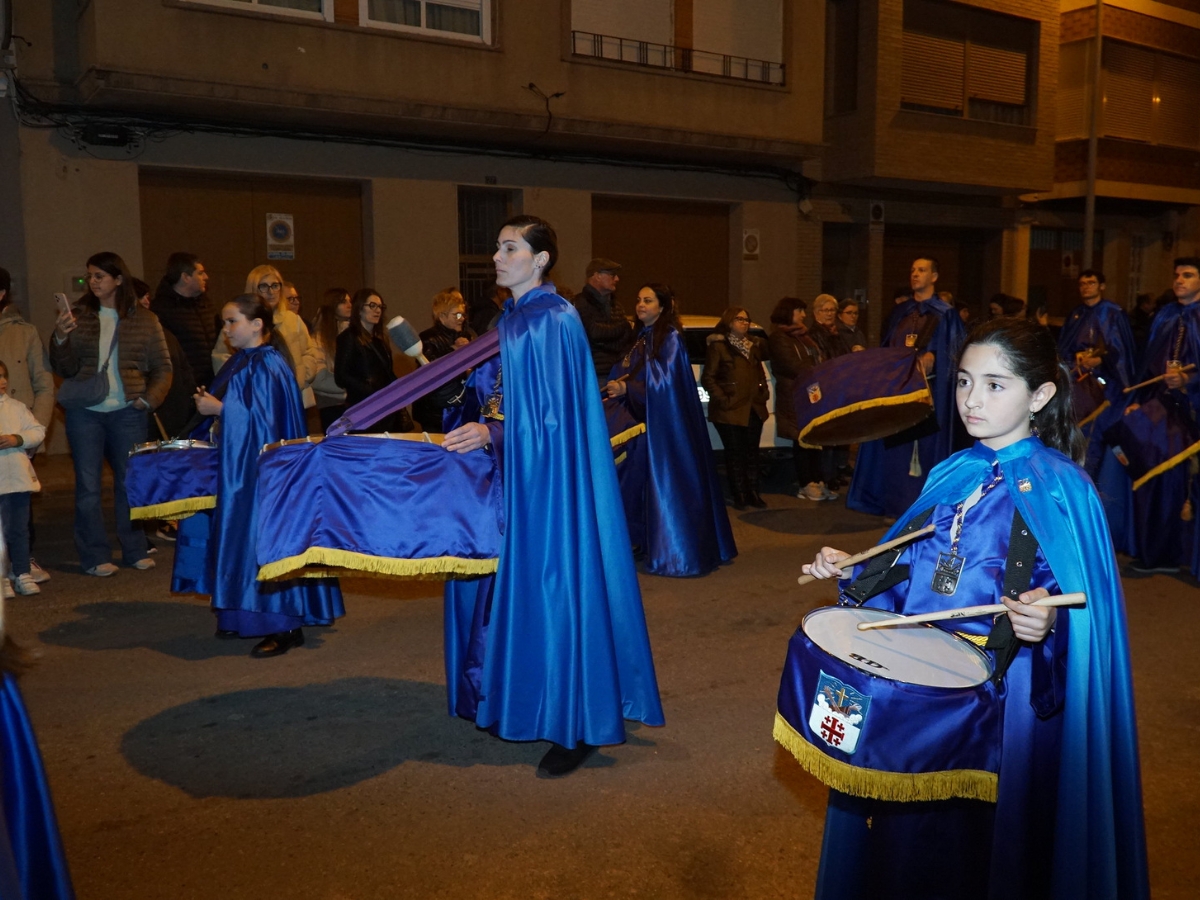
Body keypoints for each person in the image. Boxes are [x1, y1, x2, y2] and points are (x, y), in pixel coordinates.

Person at [789, 317, 1148, 900]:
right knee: (907, 840)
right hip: (919, 686)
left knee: (980, 849)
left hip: (1005, 699)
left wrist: (1050, 624)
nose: (971, 401)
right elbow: (917, 565)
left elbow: (1086, 625)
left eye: (995, 385)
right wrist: (854, 567)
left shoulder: (1065, 488)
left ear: (1041, 396)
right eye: (962, 382)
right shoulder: (953, 469)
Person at [441, 215, 663, 778]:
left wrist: (492, 431)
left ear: (540, 260)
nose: (496, 256)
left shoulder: (553, 319)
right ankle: (513, 695)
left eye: (509, 247)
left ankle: (578, 721)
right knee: (503, 587)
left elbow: (553, 417)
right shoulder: (510, 318)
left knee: (557, 588)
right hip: (509, 475)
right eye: (496, 246)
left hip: (548, 483)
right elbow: (496, 394)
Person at [189, 295, 344, 657]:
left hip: (263, 476)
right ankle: (240, 615)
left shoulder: (269, 364)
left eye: (232, 322)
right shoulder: (242, 362)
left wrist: (222, 410)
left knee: (264, 538)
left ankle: (284, 625)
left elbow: (266, 425)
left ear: (257, 324)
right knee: (238, 537)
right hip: (239, 472)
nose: (226, 330)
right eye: (224, 323)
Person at [50, 251, 172, 576]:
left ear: (118, 279)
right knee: (88, 486)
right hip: (85, 412)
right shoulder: (79, 315)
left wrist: (148, 401)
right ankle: (94, 555)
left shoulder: (145, 319)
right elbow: (64, 367)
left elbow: (163, 367)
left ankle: (133, 549)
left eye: (99, 276)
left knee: (128, 483)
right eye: (90, 276)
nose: (93, 282)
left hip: (128, 412)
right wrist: (60, 337)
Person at [603, 283, 736, 575]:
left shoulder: (670, 338)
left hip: (666, 432)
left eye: (648, 301)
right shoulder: (641, 337)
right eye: (638, 300)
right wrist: (617, 385)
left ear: (662, 307)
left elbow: (666, 385)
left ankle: (677, 552)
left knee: (667, 486)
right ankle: (639, 539)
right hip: (642, 426)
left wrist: (628, 387)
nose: (640, 305)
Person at [847, 256, 967, 519]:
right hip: (900, 395)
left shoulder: (945, 314)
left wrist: (936, 357)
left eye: (921, 270)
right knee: (897, 452)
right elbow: (888, 349)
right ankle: (895, 503)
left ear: (934, 277)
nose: (915, 274)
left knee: (925, 453)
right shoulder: (901, 313)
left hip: (931, 397)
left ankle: (924, 507)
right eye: (912, 270)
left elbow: (958, 354)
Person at [1120, 256, 1200, 575]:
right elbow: (1147, 363)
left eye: (1189, 275)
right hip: (1158, 408)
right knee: (1150, 478)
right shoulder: (1166, 315)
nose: (1180, 280)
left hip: (1189, 414)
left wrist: (1188, 381)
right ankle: (1151, 551)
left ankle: (1176, 555)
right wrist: (1138, 398)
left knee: (1179, 485)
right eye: (1177, 275)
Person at [0, 267, 54, 585]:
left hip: (17, 431)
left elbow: (44, 385)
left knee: (19, 500)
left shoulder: (25, 332)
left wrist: (34, 435)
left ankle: (22, 561)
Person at [212, 265, 320, 408]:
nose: (271, 292)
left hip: (293, 395)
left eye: (275, 286)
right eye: (263, 286)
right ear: (253, 289)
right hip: (253, 399)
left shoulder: (293, 320)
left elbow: (310, 353)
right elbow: (222, 358)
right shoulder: (238, 321)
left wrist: (299, 377)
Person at [701, 307, 771, 510]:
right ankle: (739, 493)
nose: (744, 323)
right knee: (735, 453)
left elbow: (759, 372)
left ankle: (754, 492)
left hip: (753, 407)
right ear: (730, 322)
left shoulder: (753, 345)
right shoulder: (719, 346)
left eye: (747, 319)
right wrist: (723, 399)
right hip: (729, 410)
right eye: (739, 319)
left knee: (752, 453)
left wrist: (763, 392)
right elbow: (709, 377)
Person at [767, 297, 836, 502]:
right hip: (794, 394)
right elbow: (792, 365)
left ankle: (818, 480)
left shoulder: (802, 337)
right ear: (789, 312)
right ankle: (807, 483)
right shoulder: (779, 338)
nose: (803, 315)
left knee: (814, 438)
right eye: (800, 311)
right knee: (802, 439)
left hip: (811, 392)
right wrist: (817, 373)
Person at [335, 289, 412, 434]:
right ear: (359, 309)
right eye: (372, 306)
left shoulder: (380, 340)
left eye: (380, 307)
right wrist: (371, 391)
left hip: (385, 408)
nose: (377, 310)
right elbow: (341, 376)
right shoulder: (348, 338)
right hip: (363, 408)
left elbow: (387, 372)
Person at [0, 361, 46, 596]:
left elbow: (38, 431)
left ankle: (21, 572)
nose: (3, 381)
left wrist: (17, 439)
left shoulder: (16, 407)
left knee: (18, 530)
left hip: (17, 481)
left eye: (3, 376)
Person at [151, 252, 216, 393]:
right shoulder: (161, 310)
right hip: (180, 389)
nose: (206, 277)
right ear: (185, 277)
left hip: (210, 385)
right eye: (200, 273)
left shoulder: (206, 305)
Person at [413, 287, 476, 433]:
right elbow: (428, 369)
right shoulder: (427, 338)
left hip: (458, 403)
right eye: (457, 315)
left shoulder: (465, 335)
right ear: (442, 317)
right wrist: (453, 350)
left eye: (463, 315)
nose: (462, 319)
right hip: (434, 411)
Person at [575, 257, 632, 386]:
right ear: (597, 276)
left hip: (616, 373)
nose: (617, 279)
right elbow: (594, 333)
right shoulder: (580, 304)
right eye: (612, 275)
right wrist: (624, 326)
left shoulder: (616, 305)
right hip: (594, 374)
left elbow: (627, 338)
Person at [310, 288, 351, 431]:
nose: (349, 305)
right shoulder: (319, 338)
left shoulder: (352, 334)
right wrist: (353, 387)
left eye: (349, 301)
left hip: (353, 403)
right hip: (331, 405)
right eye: (343, 302)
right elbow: (318, 378)